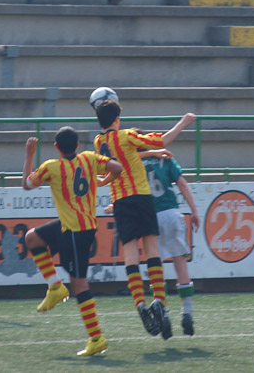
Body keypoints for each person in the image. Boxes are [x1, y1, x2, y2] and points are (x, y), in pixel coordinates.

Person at [94, 99, 196, 339]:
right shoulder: (127, 136)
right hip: (141, 196)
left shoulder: (100, 142)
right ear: (118, 119)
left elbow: (112, 169)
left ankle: (139, 302)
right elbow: (162, 139)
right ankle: (159, 300)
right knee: (152, 251)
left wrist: (103, 182)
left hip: (120, 201)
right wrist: (182, 123)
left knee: (131, 254)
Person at [21, 127, 123, 356]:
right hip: (74, 225)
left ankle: (96, 338)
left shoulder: (51, 166)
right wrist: (103, 181)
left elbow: (26, 185)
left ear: (56, 147)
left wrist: (29, 154)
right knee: (32, 237)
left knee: (79, 284)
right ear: (77, 145)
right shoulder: (89, 158)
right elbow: (117, 167)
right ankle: (56, 287)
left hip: (77, 230)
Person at [130, 147, 201, 336]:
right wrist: (194, 211)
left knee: (156, 267)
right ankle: (187, 313)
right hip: (171, 213)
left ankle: (165, 314)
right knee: (181, 264)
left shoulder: (134, 162)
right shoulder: (164, 157)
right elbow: (182, 184)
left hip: (151, 217)